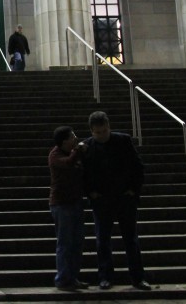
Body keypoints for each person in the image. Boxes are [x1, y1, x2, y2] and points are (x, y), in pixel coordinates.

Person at [82, 111, 150, 291]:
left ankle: (137, 278)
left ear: (109, 127)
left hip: (124, 198)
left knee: (130, 240)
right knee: (103, 240)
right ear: (92, 131)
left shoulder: (123, 140)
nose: (102, 135)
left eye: (104, 131)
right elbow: (82, 173)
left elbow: (138, 166)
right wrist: (91, 193)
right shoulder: (87, 146)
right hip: (102, 200)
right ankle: (105, 277)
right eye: (98, 133)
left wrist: (133, 191)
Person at [49, 126, 89, 292]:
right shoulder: (55, 155)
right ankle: (63, 279)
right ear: (64, 141)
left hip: (75, 202)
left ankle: (72, 277)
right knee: (65, 242)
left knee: (77, 241)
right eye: (72, 136)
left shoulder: (72, 154)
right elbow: (68, 164)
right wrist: (78, 151)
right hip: (61, 204)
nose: (76, 138)